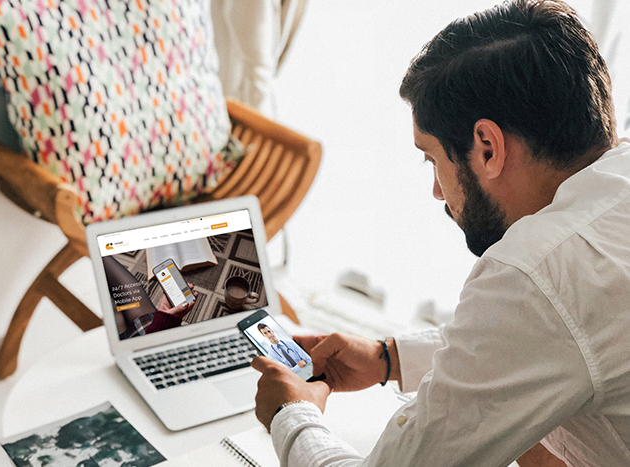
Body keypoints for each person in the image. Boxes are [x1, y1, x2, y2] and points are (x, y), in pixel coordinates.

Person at [250, 1, 630, 466]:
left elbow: (542, 317)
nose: (435, 191)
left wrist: (291, 413)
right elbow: (548, 341)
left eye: (432, 159)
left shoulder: (537, 273)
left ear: (487, 147)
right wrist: (387, 358)